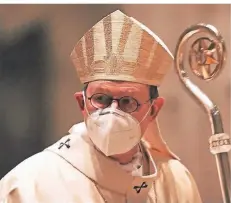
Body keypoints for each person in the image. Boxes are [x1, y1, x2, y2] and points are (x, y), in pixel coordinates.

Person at [0, 10, 202, 203]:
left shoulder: (176, 180)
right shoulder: (29, 185)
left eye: (127, 102)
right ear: (82, 103)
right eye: (101, 99)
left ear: (153, 110)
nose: (112, 113)